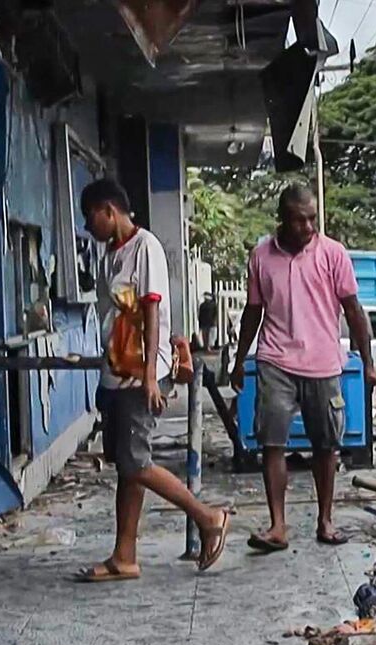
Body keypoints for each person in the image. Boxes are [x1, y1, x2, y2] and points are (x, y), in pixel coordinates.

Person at [74, 179, 229, 583]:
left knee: (137, 462)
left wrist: (149, 377)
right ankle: (124, 555)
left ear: (109, 210)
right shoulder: (110, 254)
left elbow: (151, 311)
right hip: (115, 368)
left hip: (139, 372)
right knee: (126, 465)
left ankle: (207, 517)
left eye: (90, 216)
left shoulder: (146, 247)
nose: (87, 226)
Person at [230, 184, 376, 552]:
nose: (308, 226)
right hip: (274, 360)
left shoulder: (333, 254)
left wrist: (368, 364)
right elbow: (253, 312)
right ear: (282, 219)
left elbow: (354, 311)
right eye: (300, 220)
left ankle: (325, 520)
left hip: (323, 364)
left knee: (326, 446)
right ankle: (278, 526)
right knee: (271, 443)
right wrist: (239, 361)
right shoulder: (260, 256)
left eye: (312, 218)